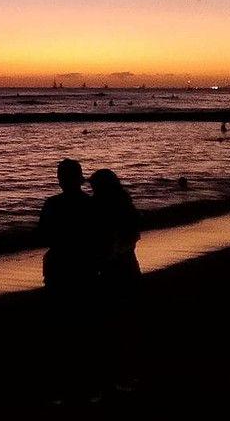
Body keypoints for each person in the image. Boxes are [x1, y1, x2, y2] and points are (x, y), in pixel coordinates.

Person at [34, 159, 104, 403]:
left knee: (59, 330)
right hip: (86, 268)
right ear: (80, 178)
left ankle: (61, 388)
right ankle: (90, 387)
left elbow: (42, 235)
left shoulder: (52, 204)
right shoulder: (92, 205)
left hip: (59, 268)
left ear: (61, 179)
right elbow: (99, 237)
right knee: (85, 329)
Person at [89, 168, 143, 392]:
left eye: (94, 187)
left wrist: (110, 254)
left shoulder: (100, 206)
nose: (92, 191)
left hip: (112, 267)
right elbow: (135, 234)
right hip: (127, 264)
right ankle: (126, 373)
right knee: (125, 319)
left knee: (111, 320)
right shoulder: (124, 204)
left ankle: (116, 374)